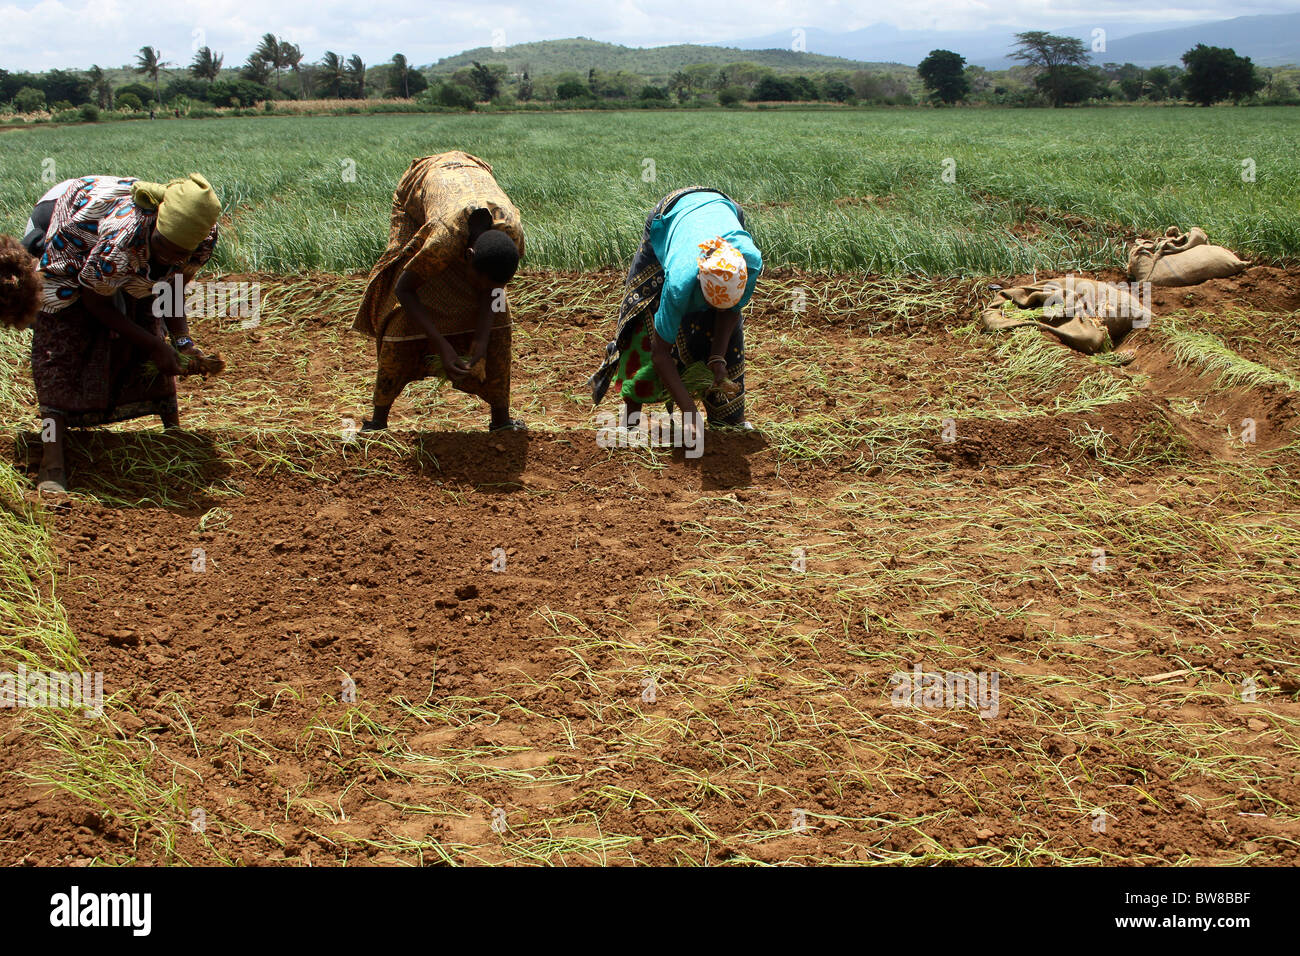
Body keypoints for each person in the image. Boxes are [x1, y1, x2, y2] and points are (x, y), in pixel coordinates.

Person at [27, 174, 222, 493]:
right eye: (164, 248)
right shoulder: (124, 235)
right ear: (155, 225)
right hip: (66, 229)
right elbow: (96, 302)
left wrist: (182, 343)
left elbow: (172, 286)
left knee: (146, 319)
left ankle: (173, 433)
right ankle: (52, 461)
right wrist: (155, 347)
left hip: (120, 257)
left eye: (180, 253)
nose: (171, 259)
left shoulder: (202, 237)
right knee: (61, 345)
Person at [353, 151, 525, 432]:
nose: (484, 290)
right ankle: (378, 420)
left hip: (471, 172)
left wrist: (481, 345)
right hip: (418, 191)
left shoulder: (512, 236)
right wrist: (443, 346)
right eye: (481, 282)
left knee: (500, 317)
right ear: (467, 256)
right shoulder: (445, 237)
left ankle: (501, 418)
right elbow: (404, 289)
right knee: (401, 316)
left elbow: (494, 292)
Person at [590, 188, 761, 444]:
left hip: (724, 208)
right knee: (644, 321)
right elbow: (660, 354)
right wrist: (690, 415)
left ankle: (728, 419)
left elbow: (731, 312)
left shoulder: (748, 264)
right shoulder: (680, 282)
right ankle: (630, 423)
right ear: (699, 288)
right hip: (670, 215)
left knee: (727, 337)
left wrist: (717, 357)